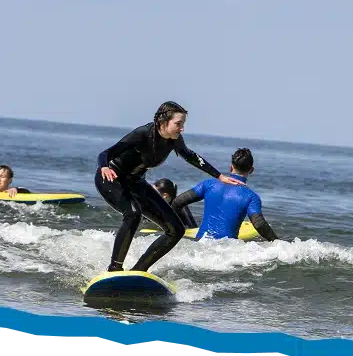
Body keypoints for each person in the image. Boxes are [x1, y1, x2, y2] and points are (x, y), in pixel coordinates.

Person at [95, 101, 244, 273]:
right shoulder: (143, 133)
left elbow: (191, 156)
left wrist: (219, 176)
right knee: (133, 214)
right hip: (111, 178)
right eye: (178, 124)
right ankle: (114, 269)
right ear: (163, 122)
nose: (182, 129)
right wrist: (104, 167)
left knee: (176, 230)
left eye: (183, 124)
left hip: (136, 182)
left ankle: (138, 271)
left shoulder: (174, 140)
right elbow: (105, 153)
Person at [170, 148, 279, 242]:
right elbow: (259, 224)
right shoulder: (251, 197)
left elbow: (177, 202)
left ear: (231, 167)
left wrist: (173, 229)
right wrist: (278, 243)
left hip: (200, 243)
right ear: (251, 170)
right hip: (224, 250)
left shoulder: (208, 184)